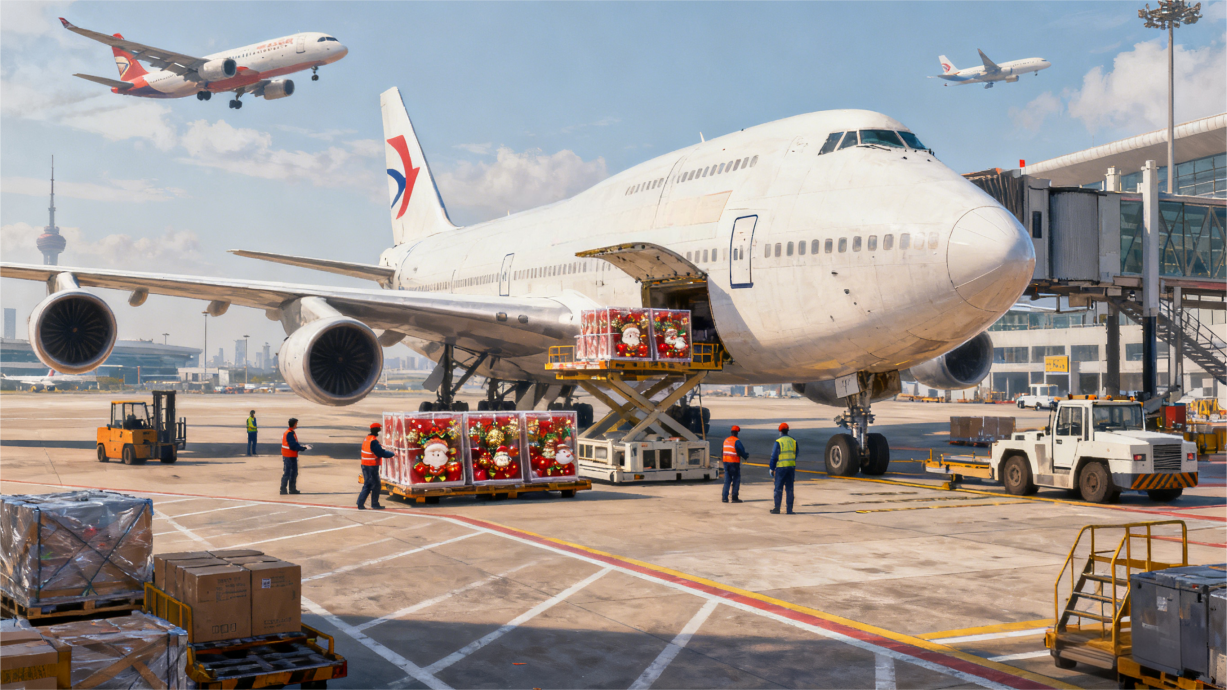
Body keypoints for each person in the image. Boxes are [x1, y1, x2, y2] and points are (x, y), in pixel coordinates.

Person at [359, 422, 394, 510]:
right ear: (377, 430)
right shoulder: (373, 441)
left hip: (365, 465)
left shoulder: (367, 439)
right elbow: (380, 452)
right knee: (373, 485)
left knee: (369, 484)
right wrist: (392, 454)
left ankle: (363, 503)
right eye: (379, 430)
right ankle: (371, 504)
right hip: (371, 466)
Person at [769, 422, 797, 515]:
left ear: (780, 431)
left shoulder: (778, 442)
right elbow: (796, 453)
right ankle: (789, 510)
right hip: (791, 467)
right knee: (789, 489)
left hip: (781, 468)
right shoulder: (793, 441)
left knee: (778, 488)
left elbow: (774, 456)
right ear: (788, 431)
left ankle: (777, 508)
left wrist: (772, 468)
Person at [280, 418, 310, 495]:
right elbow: (293, 445)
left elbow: (294, 444)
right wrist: (303, 448)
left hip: (291, 455)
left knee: (293, 472)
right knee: (288, 473)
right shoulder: (289, 433)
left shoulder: (290, 432)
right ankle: (283, 489)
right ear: (293, 424)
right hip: (289, 456)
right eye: (296, 424)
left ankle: (291, 489)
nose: (296, 425)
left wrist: (302, 447)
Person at [721, 425, 748, 503]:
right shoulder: (737, 441)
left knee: (727, 480)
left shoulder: (726, 440)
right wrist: (745, 456)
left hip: (726, 463)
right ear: (737, 433)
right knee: (736, 479)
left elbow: (722, 451)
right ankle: (734, 497)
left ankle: (724, 497)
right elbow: (741, 451)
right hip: (734, 463)